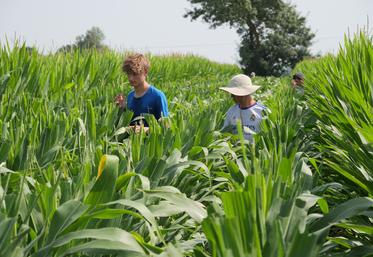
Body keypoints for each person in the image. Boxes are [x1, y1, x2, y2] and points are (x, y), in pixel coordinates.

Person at [115, 53, 169, 132]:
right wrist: (123, 109)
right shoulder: (130, 96)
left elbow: (166, 129)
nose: (131, 78)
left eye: (135, 74)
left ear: (145, 72)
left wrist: (144, 130)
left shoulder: (157, 96)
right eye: (128, 74)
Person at [220, 74, 266, 142]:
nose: (231, 97)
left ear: (242, 94)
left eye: (233, 94)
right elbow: (225, 134)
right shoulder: (231, 111)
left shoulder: (262, 111)